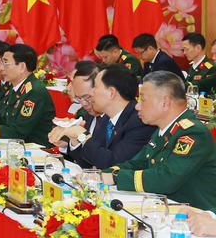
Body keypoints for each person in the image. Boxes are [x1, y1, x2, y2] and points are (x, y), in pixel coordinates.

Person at [107, 71, 216, 210]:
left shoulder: (193, 133)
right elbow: (138, 163)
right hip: (166, 209)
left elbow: (167, 179)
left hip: (194, 216)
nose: (137, 106)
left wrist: (116, 177)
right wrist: (103, 174)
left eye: (143, 100)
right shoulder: (165, 130)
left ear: (164, 103)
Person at [51, 65, 154, 169]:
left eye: (95, 87)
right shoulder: (107, 119)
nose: (91, 93)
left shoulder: (140, 122)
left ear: (111, 93)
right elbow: (90, 162)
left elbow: (114, 165)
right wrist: (74, 139)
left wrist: (82, 135)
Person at [0, 43, 55, 145]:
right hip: (15, 145)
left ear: (22, 67)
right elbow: (0, 117)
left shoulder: (34, 92)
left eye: (5, 63)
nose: (1, 68)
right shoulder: (15, 88)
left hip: (35, 149)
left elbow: (18, 132)